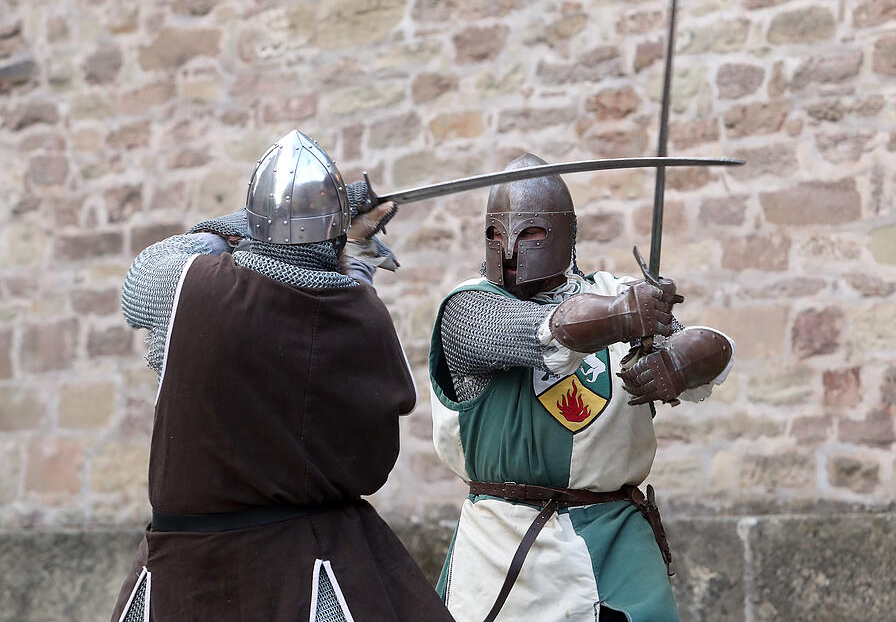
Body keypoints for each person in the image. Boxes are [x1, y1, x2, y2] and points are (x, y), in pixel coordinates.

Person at [110, 130, 454, 622]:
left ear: (256, 225)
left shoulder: (195, 287)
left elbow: (143, 278)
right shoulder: (361, 316)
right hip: (306, 566)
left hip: (185, 575)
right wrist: (349, 263)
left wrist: (231, 227)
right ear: (335, 236)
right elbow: (372, 462)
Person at [429, 153, 734, 622]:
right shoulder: (469, 307)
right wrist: (625, 314)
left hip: (617, 542)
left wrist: (675, 363)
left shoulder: (618, 291)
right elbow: (550, 329)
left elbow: (715, 351)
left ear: (565, 234)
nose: (511, 248)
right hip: (507, 544)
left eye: (531, 232)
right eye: (498, 233)